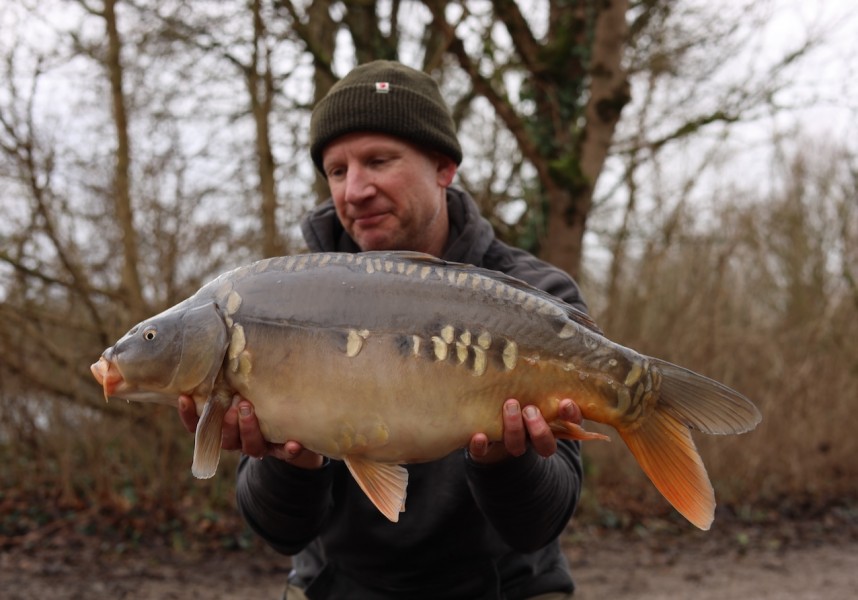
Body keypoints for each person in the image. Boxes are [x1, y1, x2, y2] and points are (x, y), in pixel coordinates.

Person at [179, 60, 590, 599]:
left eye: (378, 161)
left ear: (444, 166)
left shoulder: (536, 300)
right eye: (337, 170)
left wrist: (502, 461)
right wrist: (292, 463)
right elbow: (280, 532)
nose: (355, 190)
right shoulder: (280, 305)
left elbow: (541, 524)